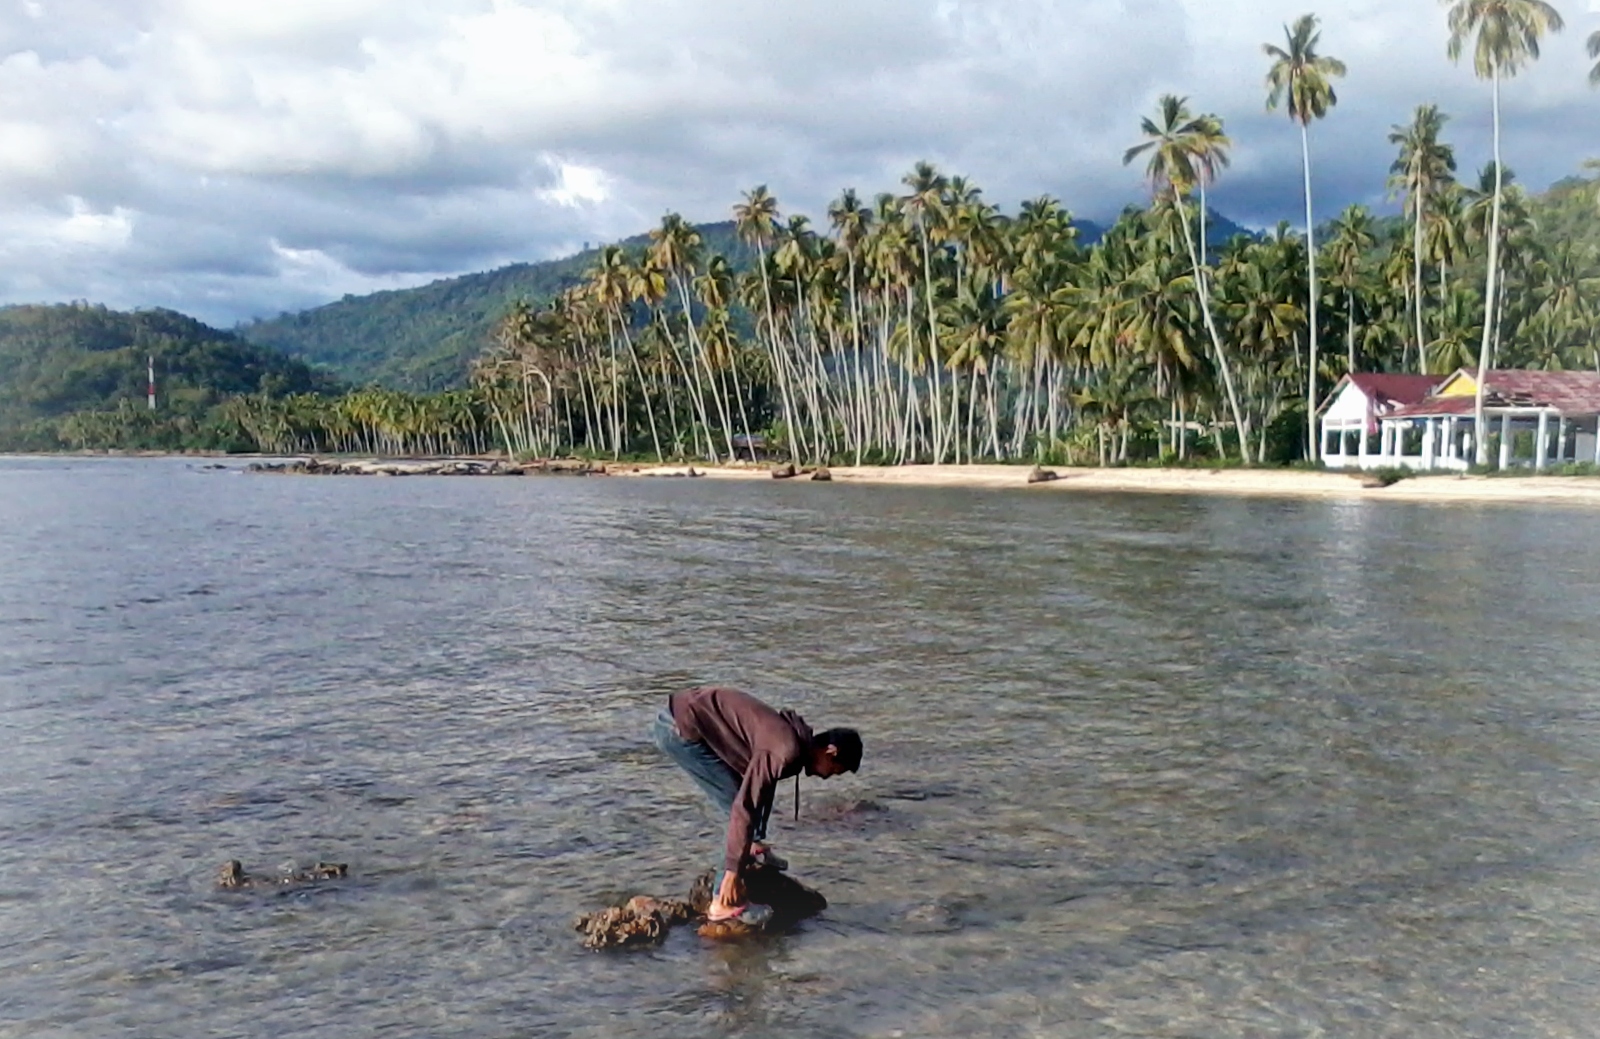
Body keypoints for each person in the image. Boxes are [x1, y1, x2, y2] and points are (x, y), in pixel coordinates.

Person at [652, 685, 862, 923]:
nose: (828, 777)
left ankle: (752, 847)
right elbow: (745, 806)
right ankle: (722, 900)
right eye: (834, 771)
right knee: (735, 808)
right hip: (678, 728)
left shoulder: (792, 747)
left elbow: (764, 784)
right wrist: (733, 872)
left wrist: (755, 838)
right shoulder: (786, 750)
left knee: (748, 808)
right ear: (830, 751)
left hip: (690, 720)